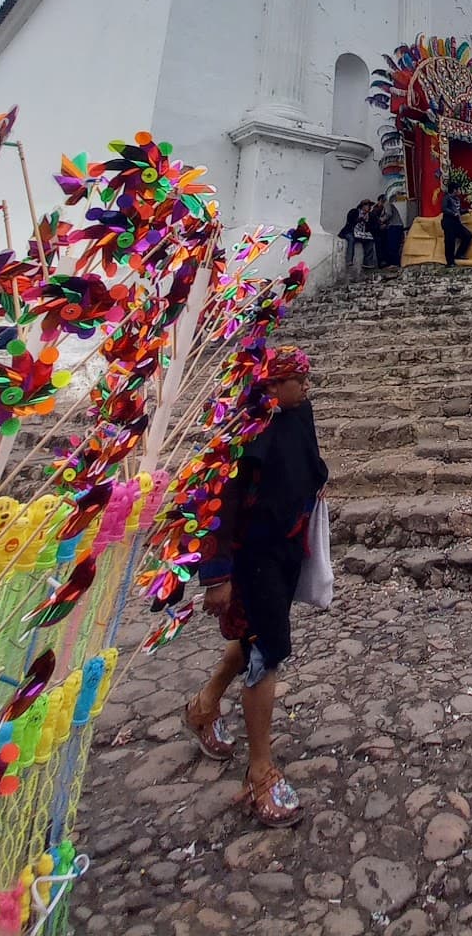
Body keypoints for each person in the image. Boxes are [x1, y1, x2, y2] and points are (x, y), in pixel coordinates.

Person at [187, 346, 327, 827]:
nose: (307, 387)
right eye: (299, 380)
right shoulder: (242, 434)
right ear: (271, 386)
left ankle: (204, 707)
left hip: (287, 551)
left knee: (252, 642)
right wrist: (217, 574)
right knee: (266, 651)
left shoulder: (297, 412)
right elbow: (217, 501)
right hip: (252, 558)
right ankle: (260, 771)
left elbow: (309, 461)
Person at [441, 183, 472, 268]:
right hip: (448, 222)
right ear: (454, 190)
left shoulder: (457, 199)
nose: (460, 191)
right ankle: (450, 262)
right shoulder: (447, 198)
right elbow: (444, 209)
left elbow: (459, 210)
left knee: (467, 235)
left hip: (456, 222)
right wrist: (453, 213)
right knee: (450, 242)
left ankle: (459, 254)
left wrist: (467, 210)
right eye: (458, 189)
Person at [377, 195, 405, 269]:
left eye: (378, 202)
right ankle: (395, 263)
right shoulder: (388, 206)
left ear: (381, 200)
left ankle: (395, 264)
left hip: (394, 226)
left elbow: (389, 214)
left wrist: (381, 220)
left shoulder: (387, 203)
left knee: (393, 245)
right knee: (394, 245)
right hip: (396, 226)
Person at [352, 198, 378, 271]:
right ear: (362, 206)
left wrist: (367, 222)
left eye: (370, 206)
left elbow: (374, 226)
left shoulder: (371, 215)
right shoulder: (355, 212)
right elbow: (351, 222)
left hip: (364, 234)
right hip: (355, 232)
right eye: (367, 205)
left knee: (370, 242)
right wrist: (360, 219)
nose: (369, 207)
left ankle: (368, 264)